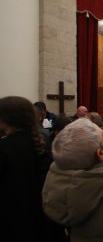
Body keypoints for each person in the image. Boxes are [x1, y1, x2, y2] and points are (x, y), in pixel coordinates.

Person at [0, 96, 67, 241]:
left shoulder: (5, 147)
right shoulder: (40, 142)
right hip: (44, 217)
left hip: (14, 218)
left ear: (6, 118)